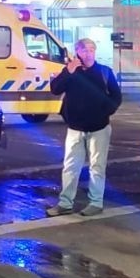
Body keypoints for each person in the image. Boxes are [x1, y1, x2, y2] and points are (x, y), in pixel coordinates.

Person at [46, 38, 121, 217]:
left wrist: (105, 112)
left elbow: (116, 97)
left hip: (99, 128)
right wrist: (68, 71)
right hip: (75, 128)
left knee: (97, 167)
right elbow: (55, 89)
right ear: (77, 52)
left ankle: (96, 202)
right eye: (85, 50)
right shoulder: (71, 72)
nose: (89, 53)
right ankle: (65, 203)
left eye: (92, 50)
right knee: (70, 167)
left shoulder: (104, 72)